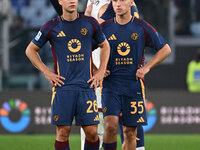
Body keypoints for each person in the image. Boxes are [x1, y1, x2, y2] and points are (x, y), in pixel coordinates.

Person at [25, 0, 110, 150]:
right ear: (60, 1)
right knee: (63, 133)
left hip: (86, 87)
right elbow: (30, 50)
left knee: (92, 133)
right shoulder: (51, 26)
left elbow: (105, 45)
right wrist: (47, 72)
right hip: (63, 88)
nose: (72, 1)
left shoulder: (90, 23)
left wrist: (101, 71)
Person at [100, 0, 171, 150]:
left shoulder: (142, 26)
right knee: (110, 126)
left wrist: (148, 67)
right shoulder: (104, 27)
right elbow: (85, 47)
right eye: (115, 1)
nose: (118, 4)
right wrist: (96, 69)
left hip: (134, 86)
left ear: (131, 2)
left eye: (122, 0)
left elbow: (165, 49)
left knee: (130, 133)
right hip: (110, 85)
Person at [85, 0, 145, 150]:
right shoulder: (125, 7)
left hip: (119, 72)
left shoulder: (114, 8)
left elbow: (92, 30)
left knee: (127, 125)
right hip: (108, 73)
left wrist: (86, 20)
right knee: (115, 124)